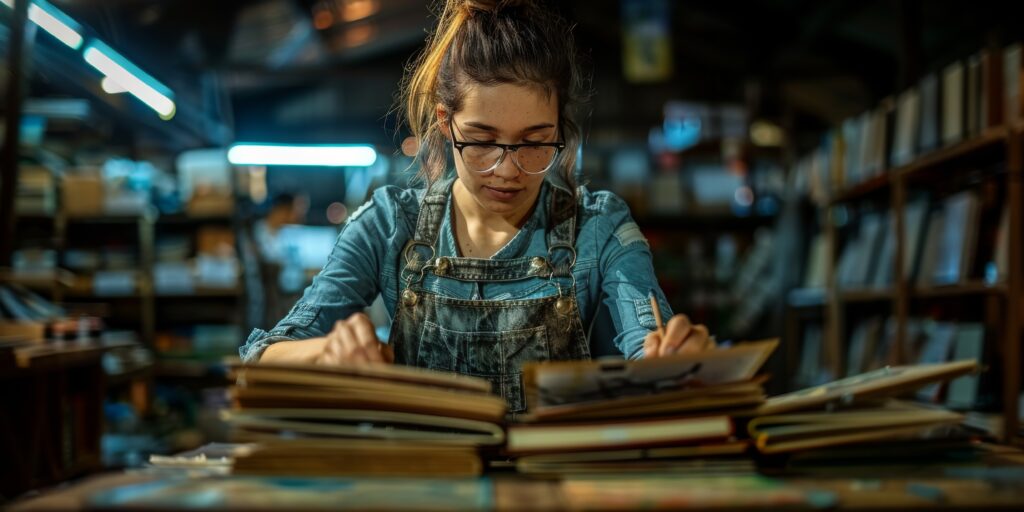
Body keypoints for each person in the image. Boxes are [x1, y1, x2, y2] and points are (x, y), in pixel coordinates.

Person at [240, 0, 714, 412]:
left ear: (559, 129)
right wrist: (325, 354)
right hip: (426, 483)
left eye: (534, 142)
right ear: (447, 123)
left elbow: (648, 345)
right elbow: (260, 361)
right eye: (483, 141)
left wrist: (671, 359)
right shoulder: (389, 223)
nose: (507, 170)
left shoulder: (599, 226)